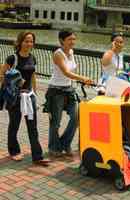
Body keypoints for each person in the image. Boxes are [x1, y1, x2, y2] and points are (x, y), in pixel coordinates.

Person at [0, 31, 49, 166]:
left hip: (29, 96)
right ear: (20, 42)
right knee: (14, 125)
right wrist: (14, 82)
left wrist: (35, 92)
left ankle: (37, 156)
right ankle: (14, 151)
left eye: (31, 41)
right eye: (26, 41)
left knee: (33, 126)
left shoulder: (32, 58)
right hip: (15, 97)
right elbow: (1, 74)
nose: (29, 44)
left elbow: (32, 75)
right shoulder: (12, 58)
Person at [44, 29, 93, 158]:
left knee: (76, 117)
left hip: (69, 89)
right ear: (62, 41)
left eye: (74, 39)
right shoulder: (58, 54)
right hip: (56, 90)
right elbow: (66, 72)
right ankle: (54, 147)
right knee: (56, 121)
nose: (73, 42)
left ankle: (65, 143)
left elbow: (70, 73)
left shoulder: (71, 52)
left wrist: (78, 80)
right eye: (70, 39)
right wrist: (82, 78)